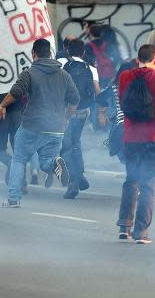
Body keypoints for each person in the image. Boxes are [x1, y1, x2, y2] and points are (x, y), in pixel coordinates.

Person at [0, 39, 80, 208]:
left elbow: (16, 92)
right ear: (50, 53)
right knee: (46, 161)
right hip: (56, 127)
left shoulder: (30, 73)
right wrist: (66, 118)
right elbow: (75, 99)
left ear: (33, 53)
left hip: (32, 125)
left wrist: (2, 105)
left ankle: (13, 198)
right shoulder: (64, 75)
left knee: (19, 159)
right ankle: (55, 163)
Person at [116, 44, 155, 244]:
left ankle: (124, 226)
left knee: (131, 180)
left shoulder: (124, 76)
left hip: (131, 137)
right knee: (148, 184)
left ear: (137, 58)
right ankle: (141, 232)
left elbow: (122, 103)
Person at [58, 38, 101, 199]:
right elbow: (97, 90)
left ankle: (73, 181)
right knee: (75, 142)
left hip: (64, 112)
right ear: (83, 52)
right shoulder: (90, 67)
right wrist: (102, 111)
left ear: (68, 50)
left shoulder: (61, 63)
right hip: (83, 112)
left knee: (65, 146)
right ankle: (80, 174)